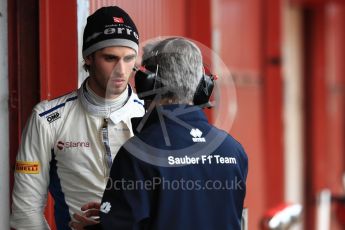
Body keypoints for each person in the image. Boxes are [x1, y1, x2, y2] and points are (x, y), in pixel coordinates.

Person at [79, 37, 248, 230]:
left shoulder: (138, 152)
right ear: (202, 85)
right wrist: (120, 209)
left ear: (147, 83)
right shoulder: (233, 151)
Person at [10, 6, 145, 230]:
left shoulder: (151, 116)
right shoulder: (47, 119)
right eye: (110, 58)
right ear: (89, 57)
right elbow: (25, 213)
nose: (121, 70)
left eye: (129, 58)